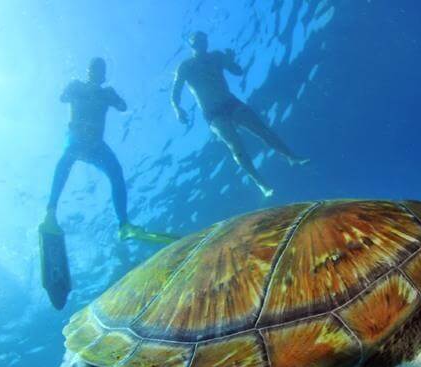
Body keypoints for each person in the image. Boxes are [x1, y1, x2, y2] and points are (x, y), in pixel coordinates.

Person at [172, 31, 308, 198]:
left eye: (203, 39)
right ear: (191, 45)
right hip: (213, 113)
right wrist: (177, 109)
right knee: (236, 147)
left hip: (230, 102)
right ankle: (261, 183)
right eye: (196, 40)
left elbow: (238, 72)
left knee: (262, 130)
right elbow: (175, 91)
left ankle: (291, 157)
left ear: (206, 41)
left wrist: (230, 60)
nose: (200, 43)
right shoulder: (185, 66)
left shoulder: (216, 56)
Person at [42, 58, 147, 240]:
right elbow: (62, 98)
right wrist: (73, 89)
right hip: (76, 139)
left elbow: (123, 107)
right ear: (89, 71)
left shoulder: (106, 93)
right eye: (95, 69)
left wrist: (111, 96)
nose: (98, 73)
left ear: (104, 75)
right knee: (66, 160)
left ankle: (123, 225)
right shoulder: (77, 86)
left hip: (97, 146)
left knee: (116, 172)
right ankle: (50, 213)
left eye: (101, 70)